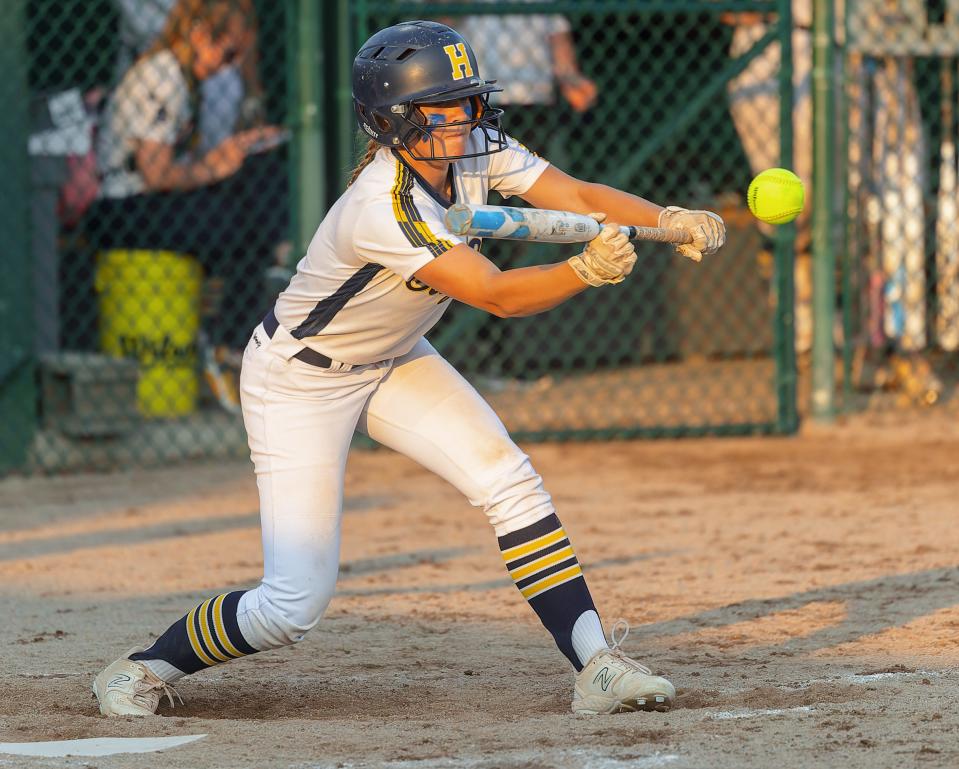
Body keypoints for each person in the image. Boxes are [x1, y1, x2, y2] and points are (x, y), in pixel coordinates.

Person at [91, 21, 725, 718]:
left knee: (508, 479)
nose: (463, 119)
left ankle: (595, 664)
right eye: (440, 109)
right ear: (392, 120)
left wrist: (665, 219)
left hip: (394, 356)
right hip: (300, 378)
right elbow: (495, 293)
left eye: (466, 101)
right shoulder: (382, 204)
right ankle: (144, 667)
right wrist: (581, 270)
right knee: (291, 603)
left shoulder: (475, 150)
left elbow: (573, 194)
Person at [80, 0, 287, 356]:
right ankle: (240, 335)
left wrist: (227, 155)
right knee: (246, 229)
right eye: (229, 53)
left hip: (146, 202)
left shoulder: (184, 75)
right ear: (199, 34)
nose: (232, 66)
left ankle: (236, 342)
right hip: (122, 209)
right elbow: (156, 174)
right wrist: (213, 167)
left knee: (258, 179)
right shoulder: (164, 75)